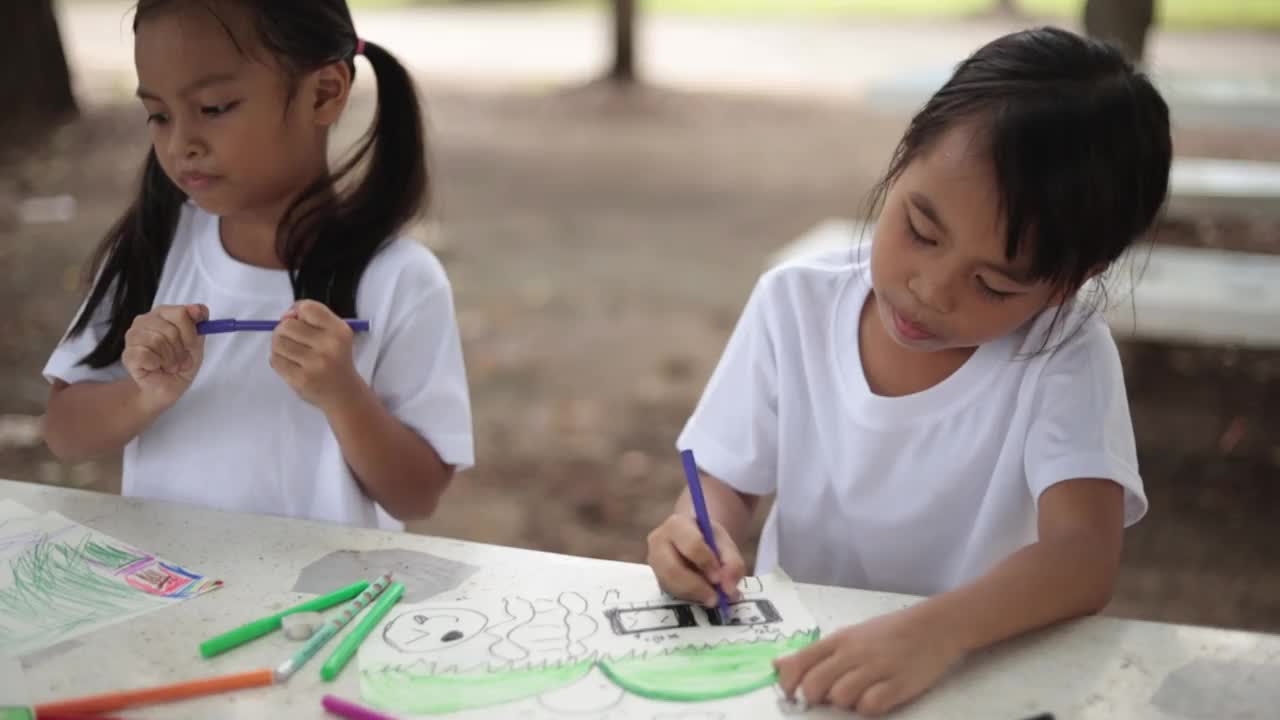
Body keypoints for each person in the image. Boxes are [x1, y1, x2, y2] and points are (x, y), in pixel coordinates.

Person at [646, 26, 1171, 715]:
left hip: (976, 673)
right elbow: (724, 478)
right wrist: (700, 531)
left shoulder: (1063, 357)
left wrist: (935, 634)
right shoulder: (795, 304)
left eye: (993, 284)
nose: (931, 289)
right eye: (921, 231)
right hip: (803, 670)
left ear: (1072, 281)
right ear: (903, 159)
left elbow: (1081, 555)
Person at [42, 0, 472, 530]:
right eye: (158, 115)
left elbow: (418, 496)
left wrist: (344, 395)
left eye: (215, 107)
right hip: (170, 593)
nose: (181, 144)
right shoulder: (151, 249)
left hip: (323, 605)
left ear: (324, 93)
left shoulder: (401, 280)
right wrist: (143, 392)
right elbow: (63, 434)